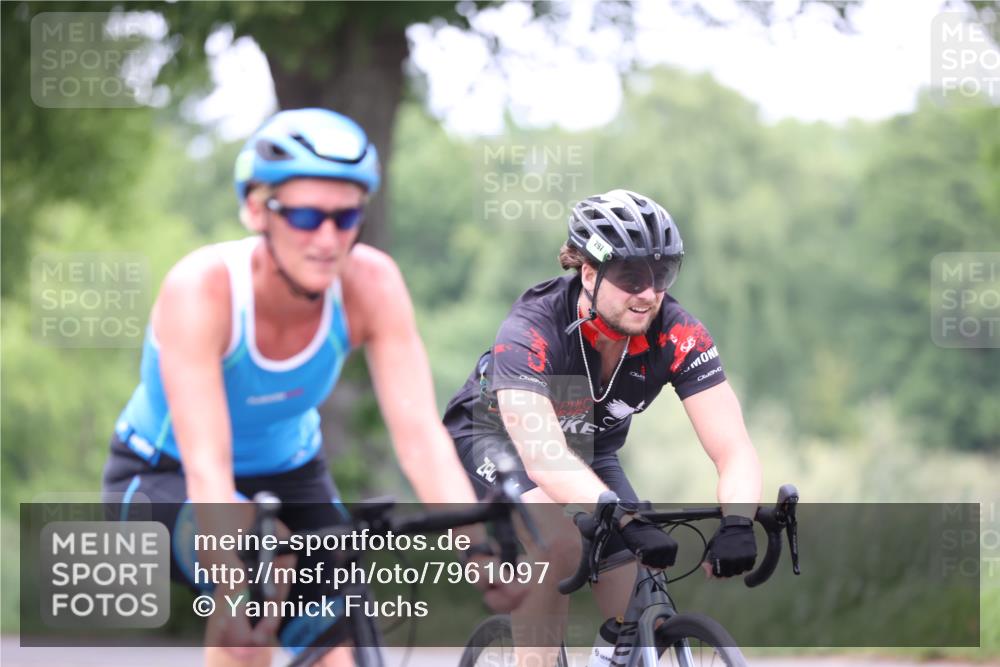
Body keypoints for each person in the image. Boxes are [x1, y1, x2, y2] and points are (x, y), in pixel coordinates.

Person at [103, 108, 522, 667]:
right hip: (162, 473)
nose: (328, 239)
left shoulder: (372, 283)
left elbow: (420, 437)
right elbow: (208, 466)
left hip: (293, 474)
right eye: (304, 215)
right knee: (257, 593)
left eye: (346, 218)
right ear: (257, 208)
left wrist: (478, 549)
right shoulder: (202, 291)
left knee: (344, 646)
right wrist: (230, 585)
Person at [443, 189, 763, 664]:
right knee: (561, 541)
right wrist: (627, 518)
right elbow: (544, 458)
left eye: (663, 275)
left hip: (588, 453)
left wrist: (739, 519)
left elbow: (733, 448)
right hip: (496, 441)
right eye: (632, 276)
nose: (650, 293)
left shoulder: (677, 333)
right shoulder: (532, 327)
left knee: (639, 599)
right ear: (589, 273)